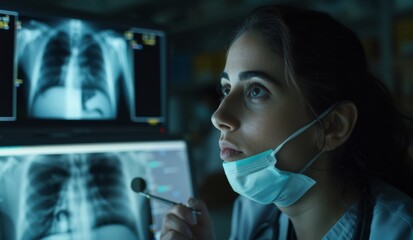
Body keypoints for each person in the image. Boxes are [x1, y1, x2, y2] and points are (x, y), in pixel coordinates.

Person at [161, 5, 413, 240]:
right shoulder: (253, 214)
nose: (218, 117)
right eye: (227, 89)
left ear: (333, 126)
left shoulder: (399, 231)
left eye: (256, 91)